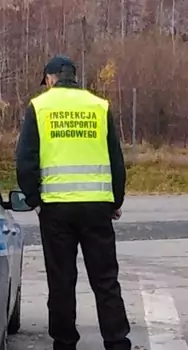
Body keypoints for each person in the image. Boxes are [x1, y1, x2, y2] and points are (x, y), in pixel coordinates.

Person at [15, 55, 131, 350]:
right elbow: (115, 158)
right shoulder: (98, 106)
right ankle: (117, 342)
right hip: (96, 206)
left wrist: (33, 199)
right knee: (105, 280)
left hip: (56, 208)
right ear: (74, 77)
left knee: (62, 280)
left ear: (51, 78)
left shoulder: (39, 107)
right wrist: (115, 199)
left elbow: (26, 159)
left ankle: (64, 343)